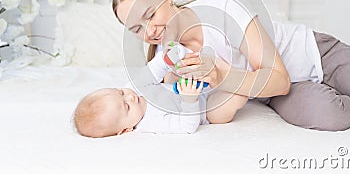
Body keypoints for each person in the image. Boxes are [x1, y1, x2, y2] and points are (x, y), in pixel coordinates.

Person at [112, 0, 350, 132]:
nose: (149, 31)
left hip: (315, 57)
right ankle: (348, 96)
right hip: (271, 92)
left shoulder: (222, 10)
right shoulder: (168, 59)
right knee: (332, 116)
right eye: (136, 29)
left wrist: (222, 73)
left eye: (149, 15)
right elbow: (176, 103)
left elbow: (278, 78)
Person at [73, 76, 248, 138]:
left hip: (182, 87)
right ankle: (253, 83)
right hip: (205, 110)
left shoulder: (134, 89)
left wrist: (167, 58)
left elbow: (154, 70)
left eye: (120, 92)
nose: (131, 97)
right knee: (234, 99)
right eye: (126, 106)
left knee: (170, 74)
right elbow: (187, 127)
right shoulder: (151, 123)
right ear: (125, 130)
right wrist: (190, 100)